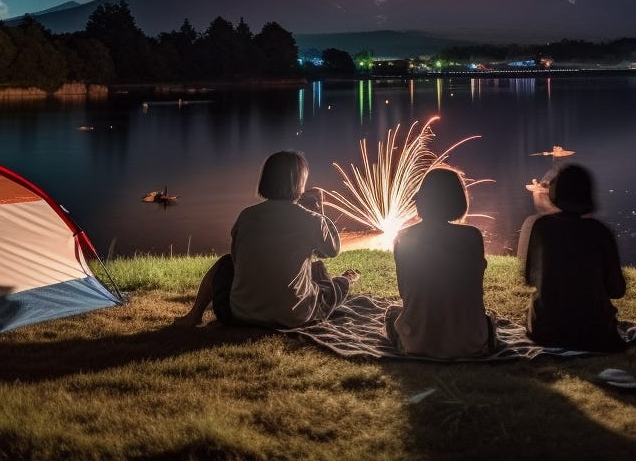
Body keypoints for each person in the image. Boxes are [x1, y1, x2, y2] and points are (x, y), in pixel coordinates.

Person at [175, 150, 358, 329]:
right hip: (294, 316)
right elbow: (332, 250)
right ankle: (346, 279)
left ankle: (194, 315)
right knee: (328, 289)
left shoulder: (246, 216)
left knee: (225, 263)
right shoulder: (312, 219)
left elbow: (237, 260)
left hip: (239, 315)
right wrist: (319, 211)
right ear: (300, 183)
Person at [385, 166, 495, 357]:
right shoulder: (472, 237)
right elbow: (475, 288)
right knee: (489, 318)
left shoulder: (404, 237)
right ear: (458, 200)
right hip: (469, 341)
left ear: (422, 199)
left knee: (391, 314)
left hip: (418, 342)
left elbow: (404, 292)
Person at [524, 163, 628, 351]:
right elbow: (617, 291)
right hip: (594, 332)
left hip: (545, 330)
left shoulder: (539, 227)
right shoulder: (600, 232)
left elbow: (529, 278)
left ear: (555, 192)